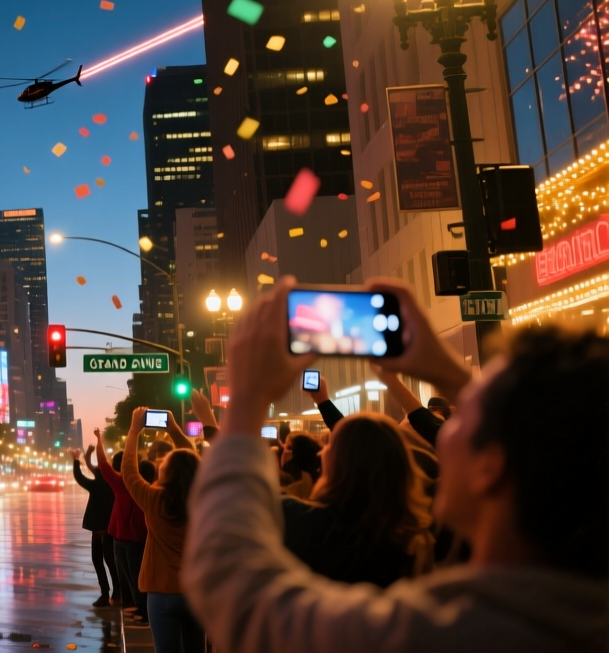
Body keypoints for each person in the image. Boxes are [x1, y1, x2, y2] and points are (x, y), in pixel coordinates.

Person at [184, 276, 608, 652]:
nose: (437, 436)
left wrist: (246, 401)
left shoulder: (442, 634)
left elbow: (234, 588)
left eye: (459, 420)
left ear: (490, 467)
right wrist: (440, 368)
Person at [282, 412, 430, 587]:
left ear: (341, 461)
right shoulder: (414, 539)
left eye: (330, 445)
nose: (322, 451)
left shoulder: (297, 519)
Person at [121, 408, 204, 652]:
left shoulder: (153, 498)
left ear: (165, 472)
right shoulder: (204, 499)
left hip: (161, 591)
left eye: (164, 463)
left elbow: (128, 471)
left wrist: (134, 430)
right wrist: (173, 429)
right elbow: (190, 460)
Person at [93, 429, 151, 623]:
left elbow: (103, 465)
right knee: (137, 577)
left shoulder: (122, 483)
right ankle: (141, 609)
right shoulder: (148, 486)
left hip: (120, 537)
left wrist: (99, 441)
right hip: (139, 538)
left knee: (129, 577)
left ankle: (140, 610)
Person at [71, 446, 118, 606]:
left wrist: (76, 460)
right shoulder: (114, 483)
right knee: (111, 561)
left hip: (99, 528)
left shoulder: (96, 485)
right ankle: (117, 593)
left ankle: (105, 594)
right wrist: (88, 455)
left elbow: (79, 477)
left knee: (98, 560)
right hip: (110, 528)